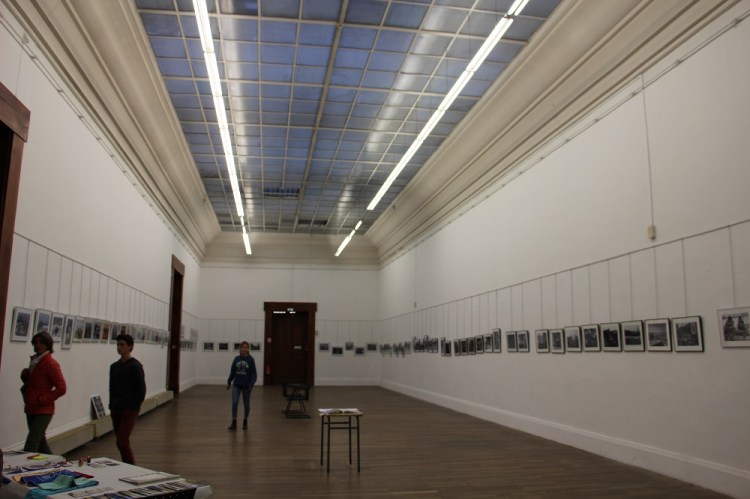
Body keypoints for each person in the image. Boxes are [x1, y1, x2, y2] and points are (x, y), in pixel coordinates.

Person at [20, 331, 67, 453]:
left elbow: (62, 388)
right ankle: (56, 463)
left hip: (43, 409)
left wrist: (42, 400)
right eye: (35, 343)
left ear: (47, 345)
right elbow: (35, 383)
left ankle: (27, 465)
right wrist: (26, 375)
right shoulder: (35, 361)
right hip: (31, 406)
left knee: (31, 444)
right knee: (41, 443)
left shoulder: (51, 364)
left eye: (41, 343)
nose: (37, 345)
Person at [109, 333, 146, 464]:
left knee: (122, 441)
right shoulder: (114, 366)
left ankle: (131, 467)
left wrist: (134, 406)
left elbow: (141, 390)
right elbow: (112, 388)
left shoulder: (135, 366)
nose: (119, 347)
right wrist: (111, 405)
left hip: (129, 409)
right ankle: (127, 466)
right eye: (118, 344)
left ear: (130, 346)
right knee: (121, 442)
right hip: (116, 408)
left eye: (122, 345)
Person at [226, 341, 257, 430]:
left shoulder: (251, 360)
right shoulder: (236, 359)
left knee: (246, 405)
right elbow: (232, 372)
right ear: (240, 348)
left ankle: (245, 420)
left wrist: (251, 384)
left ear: (248, 349)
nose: (244, 349)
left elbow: (254, 374)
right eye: (243, 347)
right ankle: (234, 422)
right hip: (237, 384)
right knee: (235, 402)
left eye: (246, 347)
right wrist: (229, 382)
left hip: (247, 386)